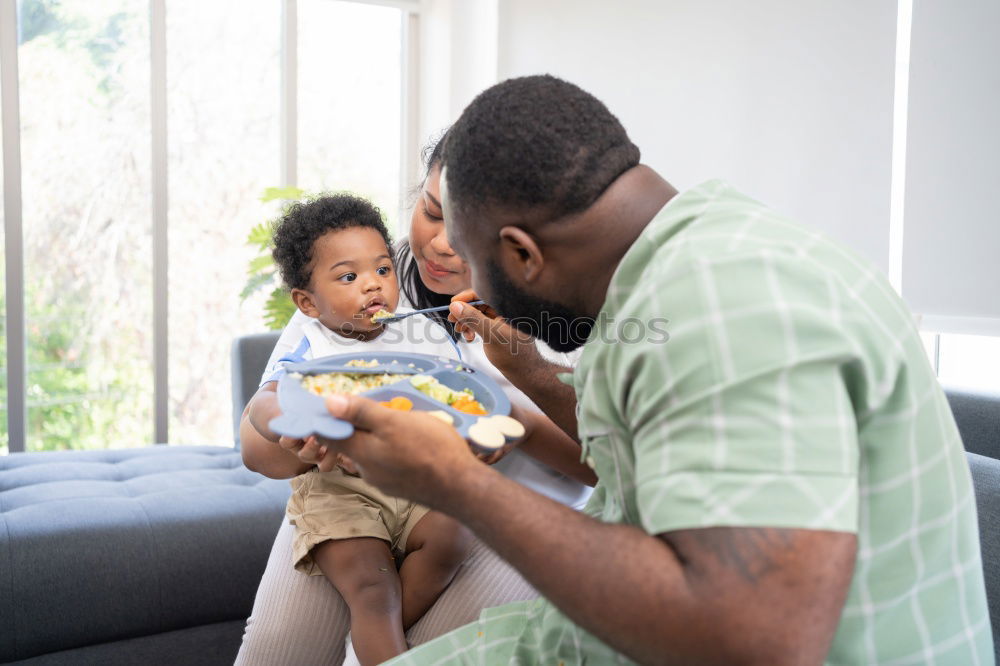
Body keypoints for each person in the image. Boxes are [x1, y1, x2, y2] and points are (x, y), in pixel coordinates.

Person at [307, 75, 993, 664]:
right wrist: (536, 375)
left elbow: (756, 642)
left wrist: (453, 482)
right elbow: (658, 449)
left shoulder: (723, 301)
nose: (469, 279)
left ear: (521, 253)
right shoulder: (679, 260)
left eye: (474, 259)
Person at [235, 137, 596, 665]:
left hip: (492, 518)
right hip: (348, 491)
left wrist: (521, 390)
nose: (443, 244)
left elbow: (604, 466)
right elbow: (256, 445)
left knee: (398, 648)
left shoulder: (576, 314)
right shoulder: (361, 277)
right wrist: (324, 436)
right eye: (431, 211)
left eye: (472, 230)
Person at [241, 194, 479, 665]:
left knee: (453, 537)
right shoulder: (314, 341)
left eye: (383, 271)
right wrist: (294, 424)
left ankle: (364, 643)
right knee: (374, 590)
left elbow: (458, 393)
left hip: (413, 483)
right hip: (340, 491)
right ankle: (380, 639)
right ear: (308, 301)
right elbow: (264, 404)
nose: (373, 285)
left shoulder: (424, 331)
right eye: (349, 278)